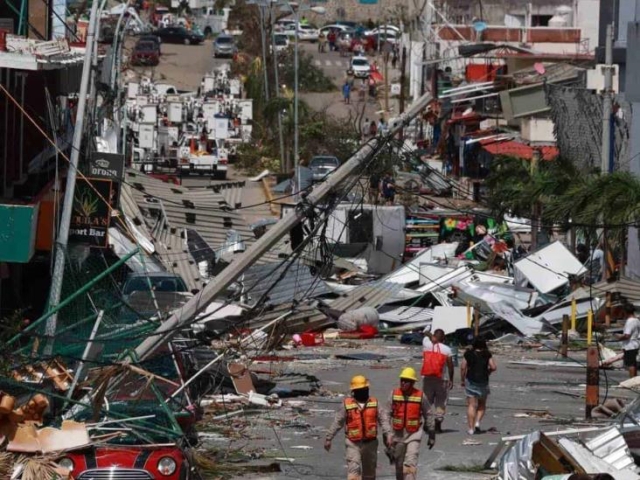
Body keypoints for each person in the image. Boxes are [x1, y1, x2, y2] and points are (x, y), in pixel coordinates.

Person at [325, 375, 392, 480]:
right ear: (354, 391)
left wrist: (388, 434)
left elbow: (384, 420)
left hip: (370, 443)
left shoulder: (375, 403)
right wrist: (329, 438)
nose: (364, 391)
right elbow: (338, 422)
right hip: (352, 443)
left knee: (369, 474)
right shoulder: (346, 405)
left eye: (365, 389)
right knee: (354, 471)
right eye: (361, 390)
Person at [387, 367, 436, 480]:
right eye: (402, 380)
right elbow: (386, 414)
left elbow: (428, 414)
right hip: (397, 435)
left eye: (406, 381)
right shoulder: (394, 394)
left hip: (414, 434)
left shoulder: (420, 396)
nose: (403, 383)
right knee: (399, 465)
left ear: (413, 382)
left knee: (410, 464)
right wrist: (387, 433)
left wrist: (432, 435)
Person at [460, 338, 497, 435]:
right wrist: (487, 372)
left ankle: (471, 429)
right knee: (481, 404)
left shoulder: (468, 354)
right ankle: (477, 422)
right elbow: (493, 367)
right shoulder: (487, 354)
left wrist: (462, 379)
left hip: (471, 381)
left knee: (471, 405)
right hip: (483, 381)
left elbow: (463, 367)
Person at [421, 329, 454, 433]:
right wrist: (451, 379)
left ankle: (427, 422)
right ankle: (438, 423)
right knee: (441, 402)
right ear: (444, 338)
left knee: (426, 401)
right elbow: (450, 366)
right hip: (442, 379)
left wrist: (431, 335)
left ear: (434, 336)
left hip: (427, 378)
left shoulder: (426, 345)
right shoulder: (447, 350)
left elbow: (425, 332)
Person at [617, 303, 640, 378]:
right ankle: (635, 380)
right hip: (635, 344)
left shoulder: (630, 321)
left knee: (630, 365)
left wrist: (619, 338)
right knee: (633, 364)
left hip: (630, 345)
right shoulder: (636, 320)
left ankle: (631, 380)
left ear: (625, 311)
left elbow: (627, 335)